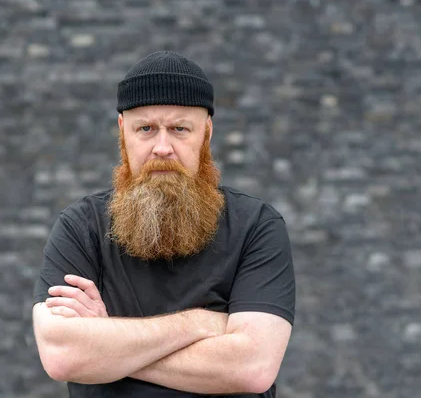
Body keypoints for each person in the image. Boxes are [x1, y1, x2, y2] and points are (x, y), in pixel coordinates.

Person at [32, 51, 295, 398]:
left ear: (207, 133)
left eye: (179, 129)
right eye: (146, 129)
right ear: (122, 132)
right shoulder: (80, 228)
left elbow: (251, 368)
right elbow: (62, 356)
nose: (162, 147)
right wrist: (201, 324)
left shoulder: (257, 227)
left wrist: (107, 341)